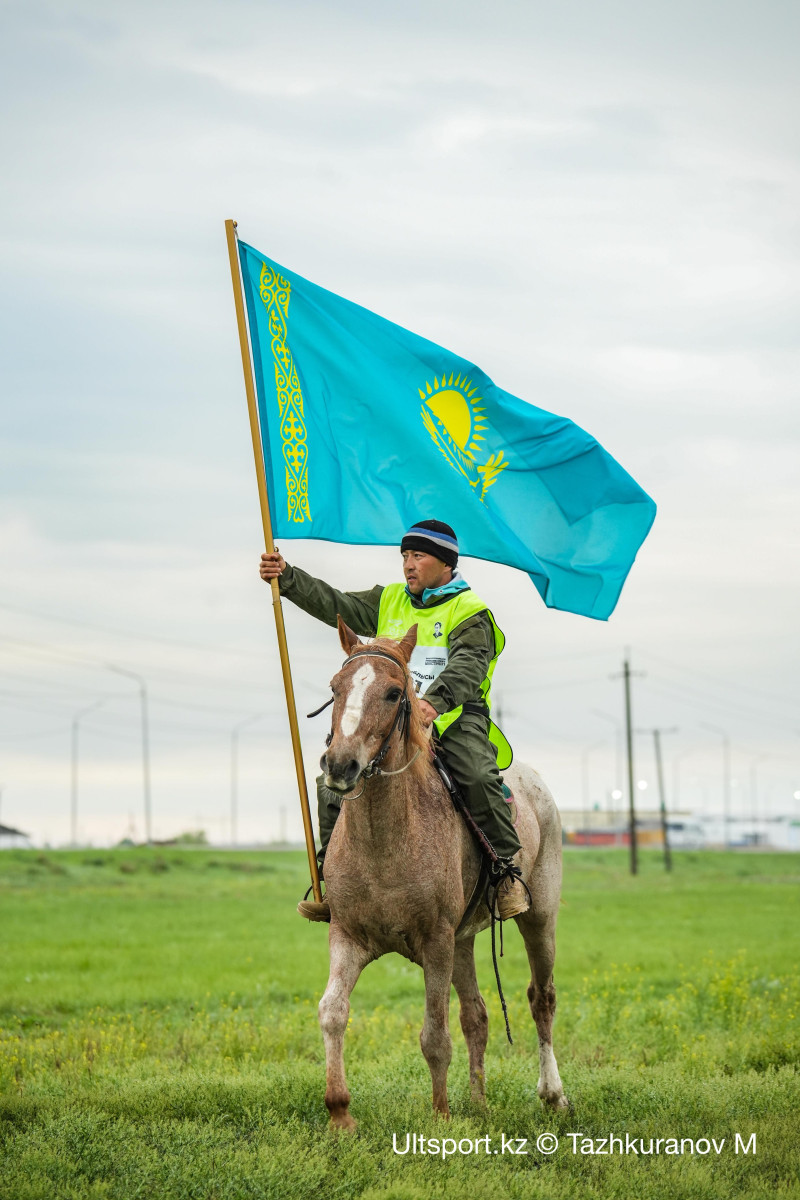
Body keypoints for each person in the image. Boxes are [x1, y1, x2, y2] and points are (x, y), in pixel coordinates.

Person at [259, 519, 529, 923]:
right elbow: (336, 603)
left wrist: (432, 703)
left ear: (446, 563)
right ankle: (334, 886)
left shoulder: (471, 612)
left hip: (454, 716)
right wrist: (289, 577)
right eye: (405, 556)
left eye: (418, 556)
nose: (408, 564)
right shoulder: (389, 600)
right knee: (333, 777)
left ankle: (506, 874)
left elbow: (470, 666)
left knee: (474, 773)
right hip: (390, 717)